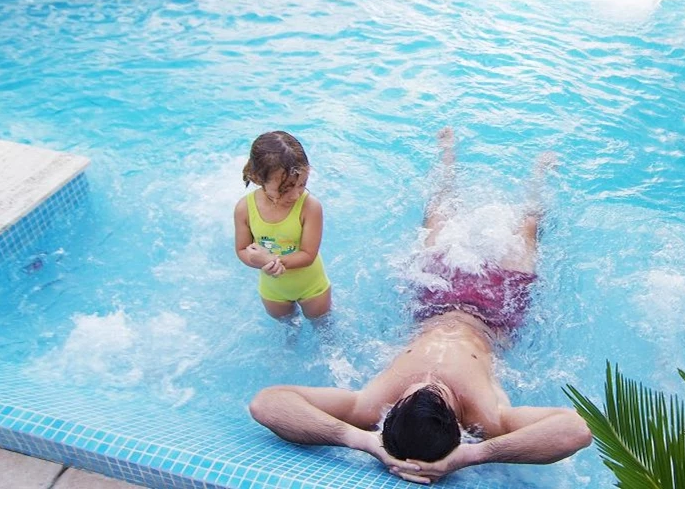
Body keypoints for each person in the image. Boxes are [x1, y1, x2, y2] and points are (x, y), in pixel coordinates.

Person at [248, 127, 592, 485]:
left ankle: (447, 154)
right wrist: (473, 454)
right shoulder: (487, 416)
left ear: (393, 411)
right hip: (494, 314)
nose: (427, 381)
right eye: (438, 395)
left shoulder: (372, 403)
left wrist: (363, 441)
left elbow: (268, 402)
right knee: (528, 228)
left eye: (415, 393)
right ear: (457, 423)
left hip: (433, 300)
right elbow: (576, 430)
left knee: (437, 214)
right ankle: (539, 175)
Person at [234, 130, 332, 320]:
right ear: (257, 179)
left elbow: (308, 254)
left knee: (323, 328)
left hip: (312, 286)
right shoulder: (244, 208)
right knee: (287, 333)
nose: (295, 195)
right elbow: (241, 249)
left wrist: (271, 261)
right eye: (285, 189)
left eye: (302, 184)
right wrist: (257, 260)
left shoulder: (310, 207)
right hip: (273, 292)